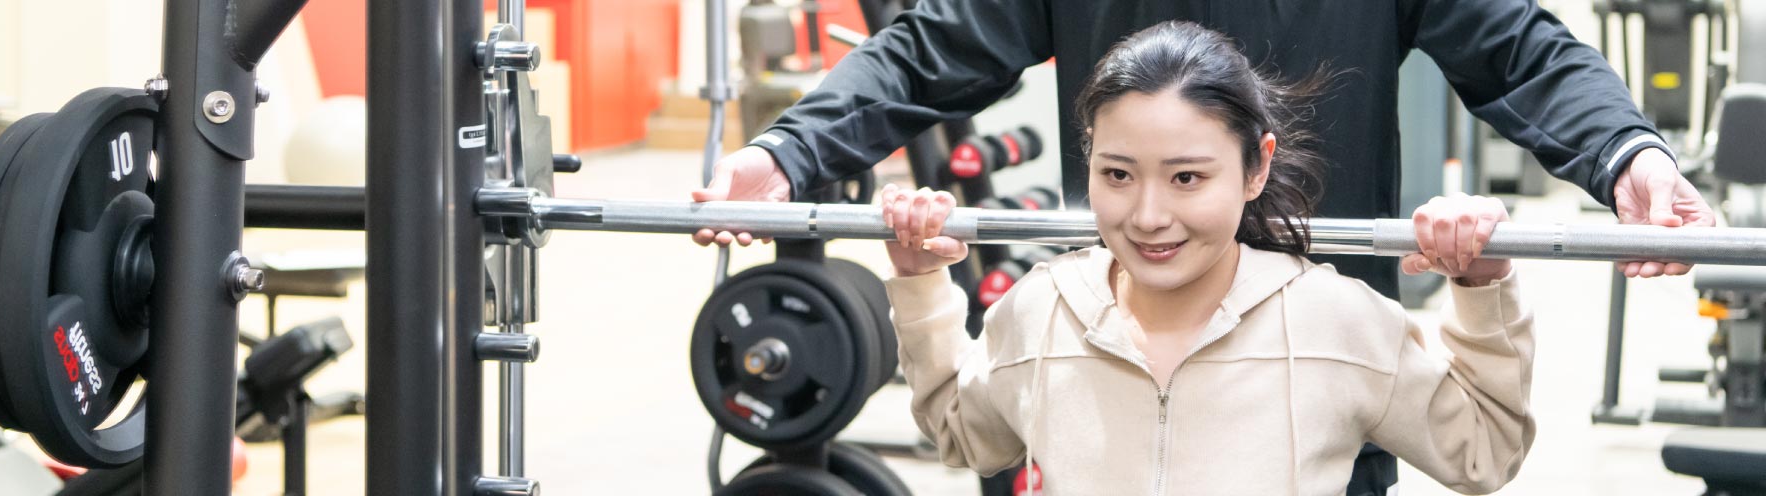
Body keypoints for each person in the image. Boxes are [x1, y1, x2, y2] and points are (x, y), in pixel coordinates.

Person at [691, 3, 1709, 492]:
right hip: (1109, 348)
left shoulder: (1346, 336)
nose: (1159, 205)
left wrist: (1626, 153)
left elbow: (1521, 51)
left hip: (1316, 372)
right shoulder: (1045, 317)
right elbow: (936, 45)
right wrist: (791, 152)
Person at [876, 21, 1532, 494]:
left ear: (1255, 169)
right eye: (1118, 175)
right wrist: (920, 282)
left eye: (1187, 178)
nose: (1149, 215)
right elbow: (963, 436)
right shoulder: (1043, 310)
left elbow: (1481, 453)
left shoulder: (1337, 321)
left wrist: (1482, 287)